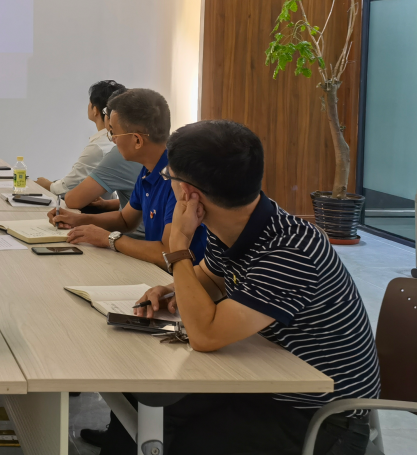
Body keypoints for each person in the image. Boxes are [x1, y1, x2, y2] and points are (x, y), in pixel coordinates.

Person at [103, 120, 378, 455]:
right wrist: (171, 289)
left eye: (168, 177)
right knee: (140, 399)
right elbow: (209, 279)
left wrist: (179, 247)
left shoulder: (291, 252)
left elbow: (205, 336)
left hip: (317, 414)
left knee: (179, 438)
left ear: (188, 193)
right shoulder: (239, 222)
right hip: (263, 378)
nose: (167, 182)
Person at [47, 88, 207, 267]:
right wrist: (78, 220)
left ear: (137, 140)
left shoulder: (177, 179)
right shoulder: (149, 169)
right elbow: (125, 220)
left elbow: (169, 252)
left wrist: (109, 239)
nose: (113, 140)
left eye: (114, 133)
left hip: (185, 276)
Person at [36, 80, 123, 198]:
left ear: (95, 110)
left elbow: (68, 186)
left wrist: (47, 184)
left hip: (91, 205)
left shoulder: (98, 147)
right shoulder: (119, 141)